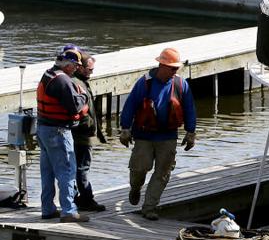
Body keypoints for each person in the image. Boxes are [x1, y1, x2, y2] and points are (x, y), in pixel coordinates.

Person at [119, 47, 197, 220]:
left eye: (177, 68)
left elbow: (189, 108)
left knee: (163, 173)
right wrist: (125, 129)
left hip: (168, 136)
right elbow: (130, 105)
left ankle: (149, 208)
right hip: (144, 135)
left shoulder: (181, 84)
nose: (175, 71)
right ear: (161, 65)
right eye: (172, 68)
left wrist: (191, 132)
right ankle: (135, 188)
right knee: (140, 168)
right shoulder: (144, 82)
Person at [35, 48, 89, 223]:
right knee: (67, 170)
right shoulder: (63, 80)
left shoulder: (48, 74)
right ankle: (68, 210)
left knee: (48, 171)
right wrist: (83, 96)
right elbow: (75, 106)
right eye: (75, 65)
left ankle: (48, 208)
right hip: (58, 131)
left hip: (44, 129)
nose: (76, 69)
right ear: (68, 64)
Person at [70, 52, 107, 212]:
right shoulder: (76, 83)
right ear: (80, 67)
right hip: (81, 135)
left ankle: (75, 198)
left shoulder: (79, 81)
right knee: (82, 167)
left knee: (75, 167)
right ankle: (86, 199)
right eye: (89, 69)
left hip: (80, 134)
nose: (91, 73)